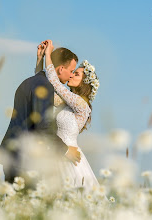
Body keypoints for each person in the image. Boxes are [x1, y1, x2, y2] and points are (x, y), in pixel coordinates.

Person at [0, 43, 82, 189]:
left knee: (12, 206)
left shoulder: (29, 82)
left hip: (11, 155)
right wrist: (65, 150)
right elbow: (43, 126)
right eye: (71, 70)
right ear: (61, 69)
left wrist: (40, 60)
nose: (72, 74)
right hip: (26, 159)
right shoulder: (44, 86)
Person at [36, 40, 104, 199]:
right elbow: (42, 91)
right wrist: (39, 61)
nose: (72, 74)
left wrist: (49, 56)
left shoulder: (81, 105)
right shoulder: (65, 102)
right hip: (57, 154)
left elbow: (55, 84)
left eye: (77, 73)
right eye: (73, 71)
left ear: (85, 83)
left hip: (70, 160)